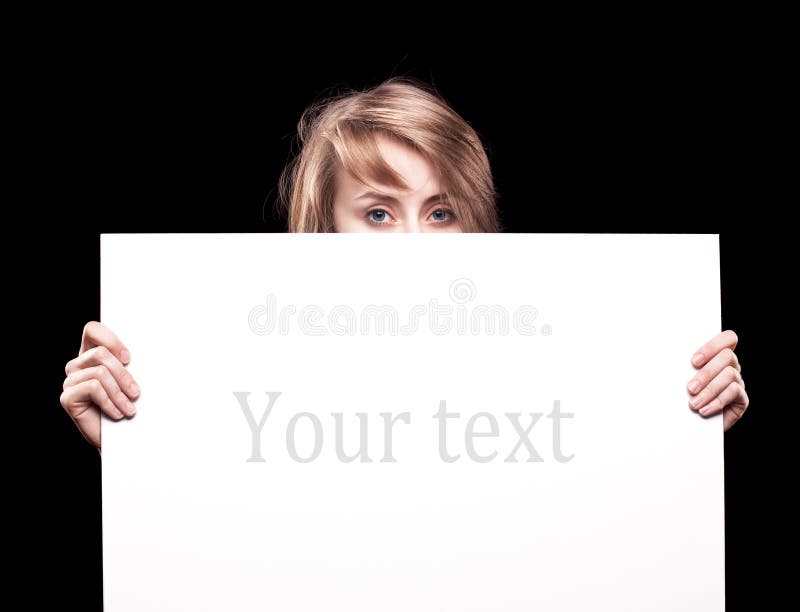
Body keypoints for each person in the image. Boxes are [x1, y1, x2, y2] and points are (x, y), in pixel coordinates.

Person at [60, 78, 749, 448]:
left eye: (441, 212)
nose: (415, 242)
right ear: (325, 231)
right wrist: (133, 450)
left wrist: (681, 438)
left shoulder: (555, 383)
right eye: (379, 213)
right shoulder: (261, 395)